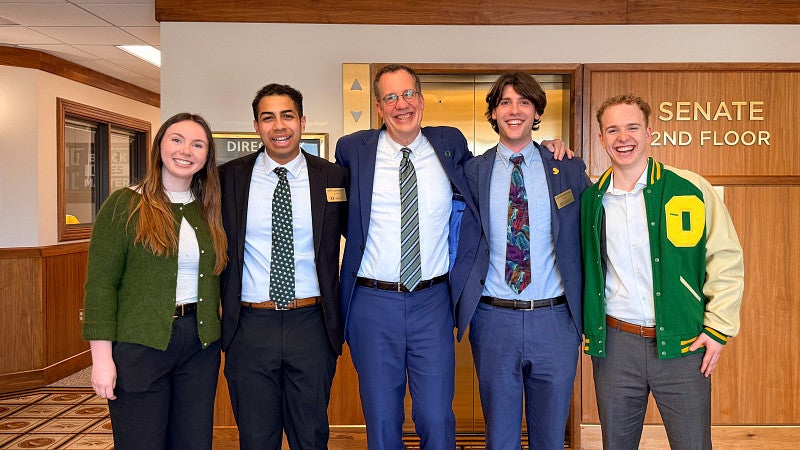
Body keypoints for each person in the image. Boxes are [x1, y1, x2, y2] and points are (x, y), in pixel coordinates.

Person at [582, 94, 745, 449]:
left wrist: (719, 329)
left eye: (632, 127)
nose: (622, 137)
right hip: (615, 346)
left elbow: (726, 257)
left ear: (650, 132)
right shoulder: (592, 199)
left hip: (682, 345)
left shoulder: (689, 188)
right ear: (601, 139)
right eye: (612, 130)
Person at [335, 64, 474, 449]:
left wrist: (546, 149)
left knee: (435, 415)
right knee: (381, 418)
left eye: (408, 94)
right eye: (390, 97)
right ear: (379, 107)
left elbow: (489, 173)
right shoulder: (352, 150)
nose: (401, 104)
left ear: (422, 100)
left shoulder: (450, 143)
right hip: (372, 302)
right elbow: (341, 216)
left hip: (432, 300)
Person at [450, 71, 590, 449]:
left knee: (550, 438)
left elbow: (593, 237)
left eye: (524, 102)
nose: (515, 111)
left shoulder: (568, 169)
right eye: (505, 102)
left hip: (555, 322)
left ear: (537, 111)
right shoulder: (470, 171)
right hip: (493, 319)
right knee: (500, 438)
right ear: (493, 113)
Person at [82, 112, 228, 449]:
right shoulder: (125, 204)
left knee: (193, 441)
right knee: (140, 441)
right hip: (140, 344)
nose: (185, 150)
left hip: (199, 343)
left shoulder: (209, 209)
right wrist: (101, 360)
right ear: (160, 145)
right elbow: (100, 286)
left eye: (198, 144)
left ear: (206, 157)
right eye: (176, 139)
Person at [219, 83, 349, 449]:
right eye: (268, 117)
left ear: (302, 121)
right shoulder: (228, 178)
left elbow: (357, 239)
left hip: (311, 324)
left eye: (287, 115)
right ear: (257, 126)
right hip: (249, 326)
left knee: (311, 437)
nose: (279, 125)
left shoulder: (333, 177)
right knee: (256, 439)